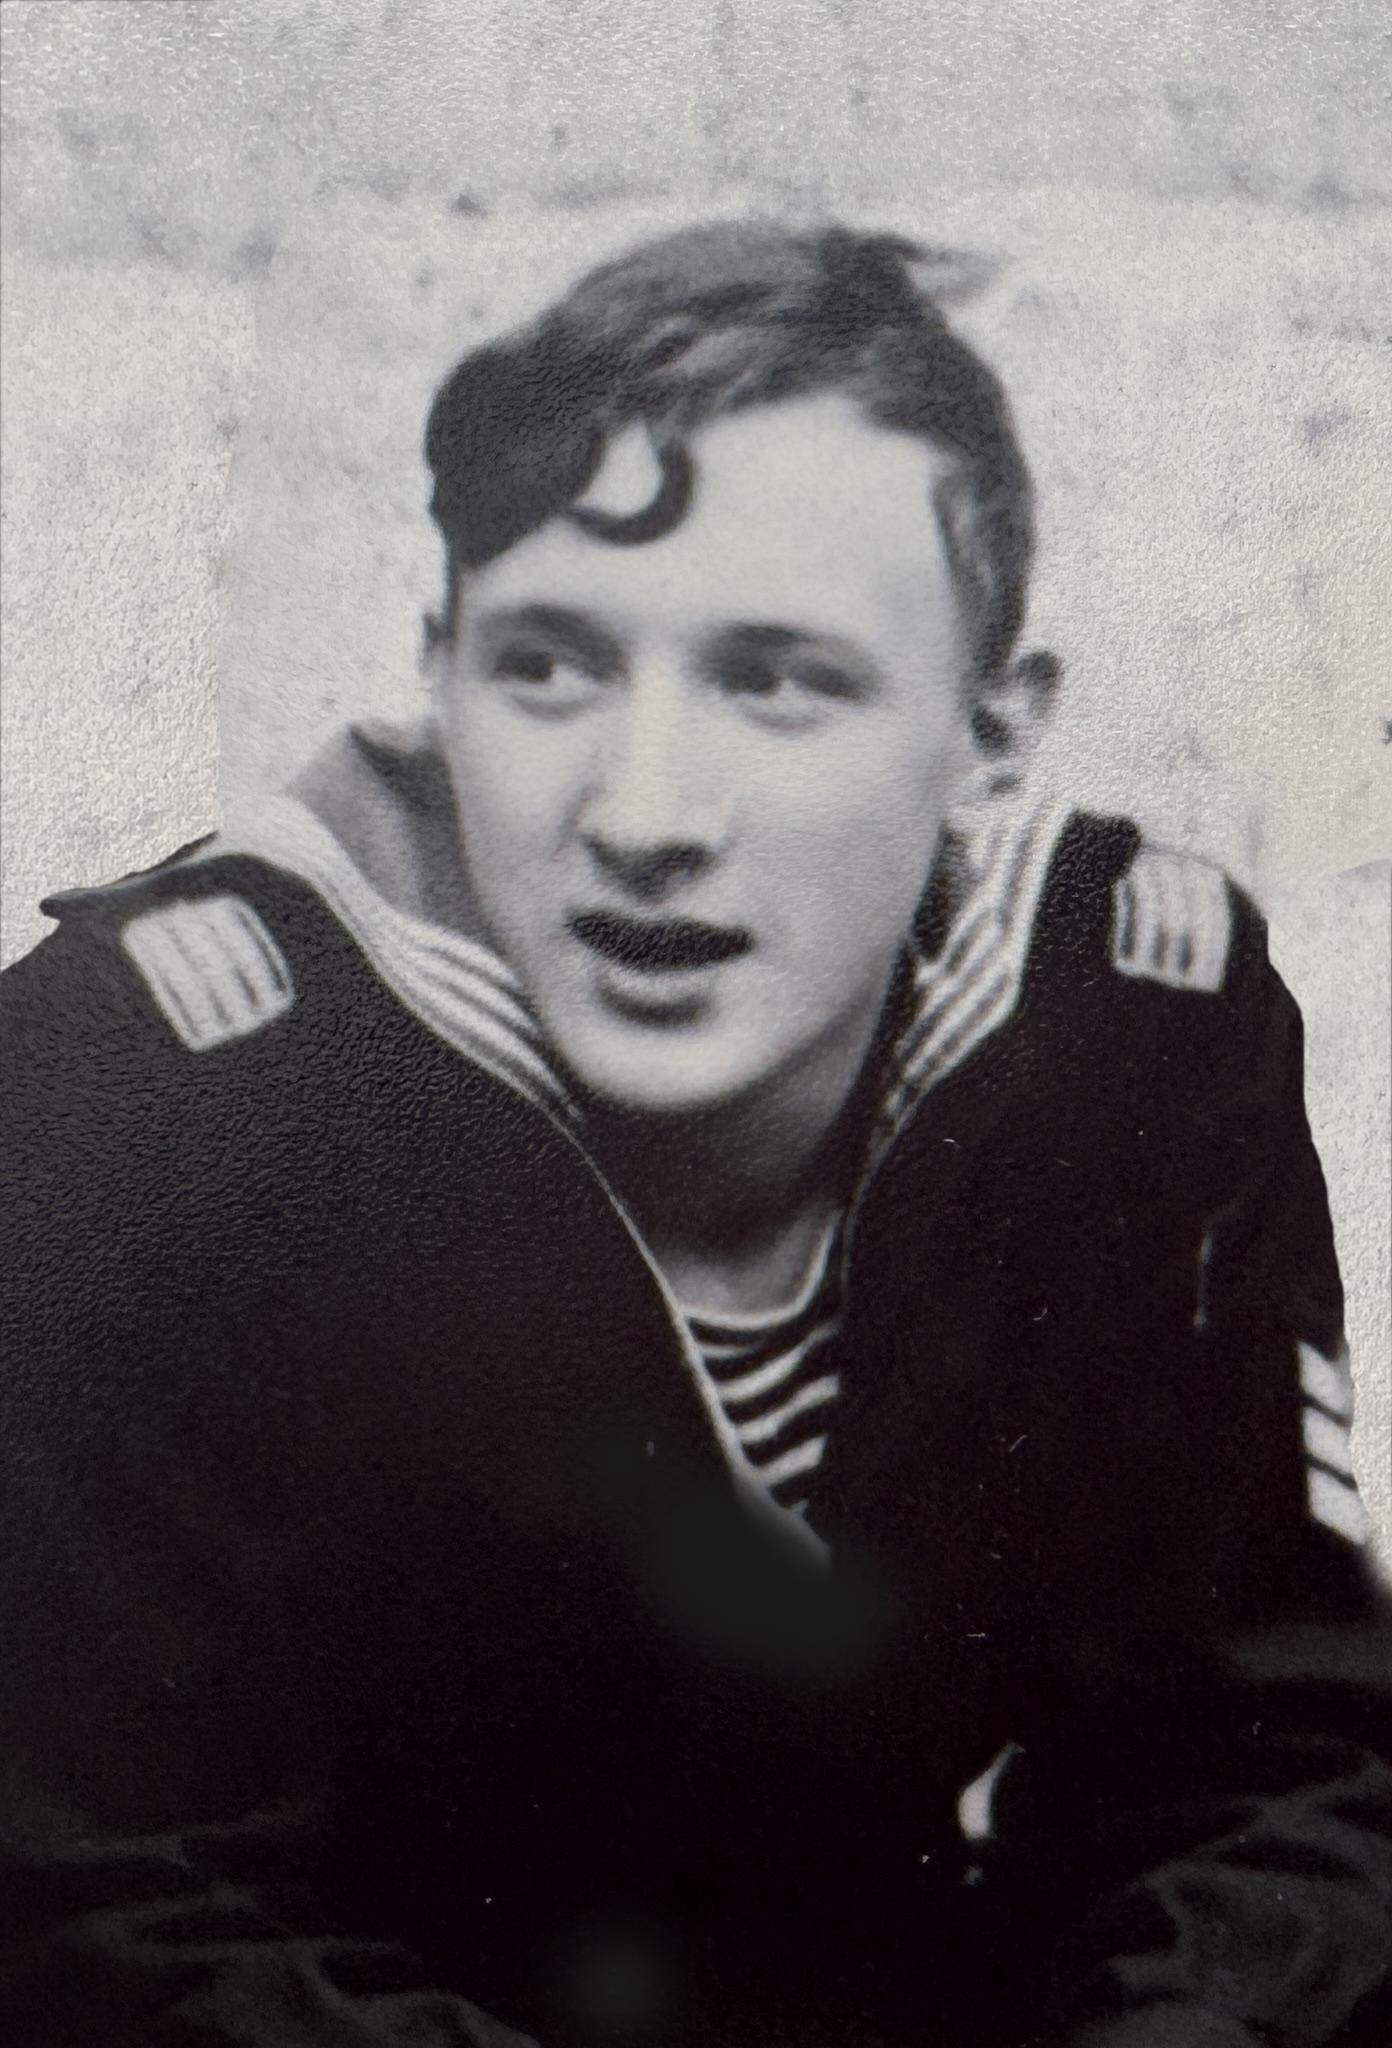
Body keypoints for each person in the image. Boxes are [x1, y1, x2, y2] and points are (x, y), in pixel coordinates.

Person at [2, 220, 1390, 2048]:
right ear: (437, 674)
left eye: (779, 679)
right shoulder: (160, 1074)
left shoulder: (1130, 1029)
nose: (646, 814)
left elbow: (1275, 1755)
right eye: (548, 668)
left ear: (991, 732)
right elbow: (86, 1901)